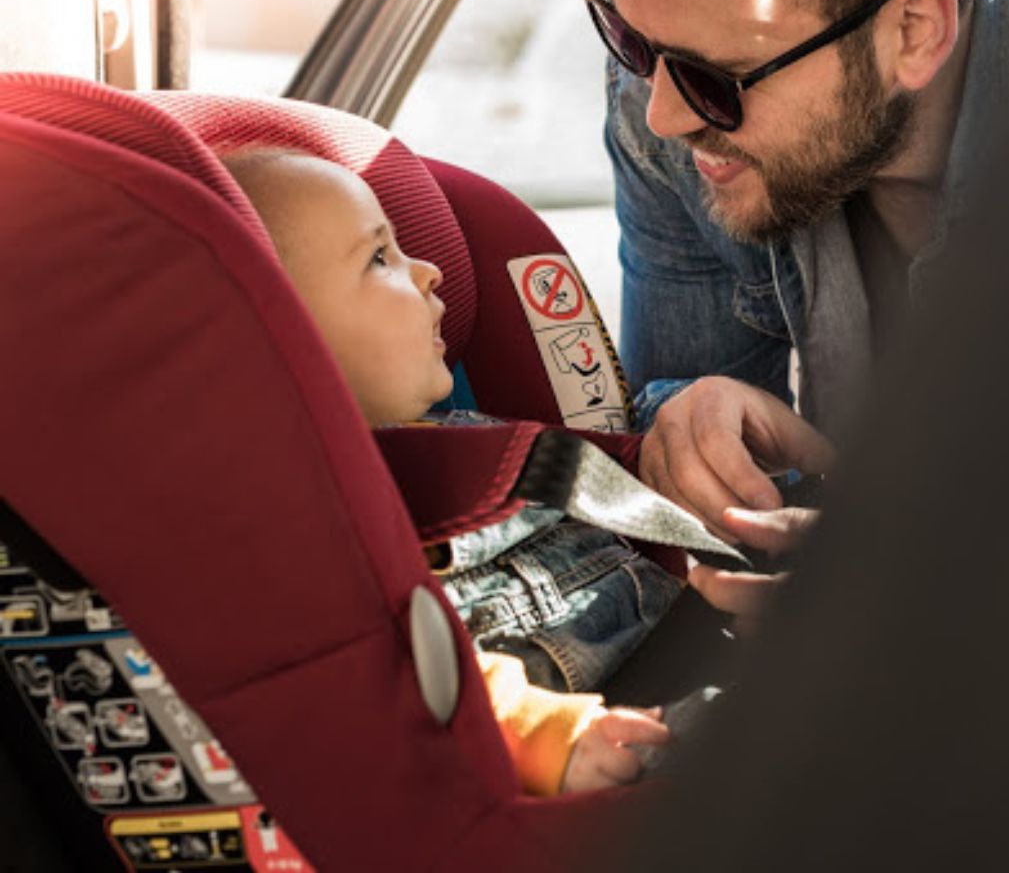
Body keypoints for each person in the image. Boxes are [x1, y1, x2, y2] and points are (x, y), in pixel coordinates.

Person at [568, 0, 1009, 616]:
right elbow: (694, 507)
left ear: (914, 29)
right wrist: (689, 420)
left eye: (716, 79)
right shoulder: (660, 101)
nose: (664, 113)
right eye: (629, 39)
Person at [221, 145, 674, 796]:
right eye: (381, 258)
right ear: (276, 334)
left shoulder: (475, 443)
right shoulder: (292, 523)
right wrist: (528, 730)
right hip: (578, 761)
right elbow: (371, 671)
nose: (430, 272)